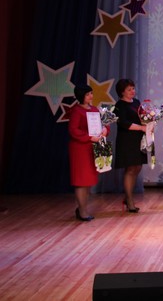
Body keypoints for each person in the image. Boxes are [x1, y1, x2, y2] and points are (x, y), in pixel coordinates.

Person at [68, 85, 105, 221]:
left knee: (88, 180)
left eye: (91, 93)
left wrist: (105, 130)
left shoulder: (94, 109)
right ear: (81, 96)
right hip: (80, 149)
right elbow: (73, 130)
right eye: (88, 94)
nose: (91, 96)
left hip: (91, 148)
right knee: (81, 181)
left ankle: (82, 209)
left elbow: (103, 124)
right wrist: (89, 137)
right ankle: (83, 211)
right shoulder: (76, 110)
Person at [114, 78, 147, 213]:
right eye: (129, 89)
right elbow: (123, 123)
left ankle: (128, 196)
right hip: (126, 140)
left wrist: (149, 122)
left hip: (138, 139)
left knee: (137, 167)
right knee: (130, 168)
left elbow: (143, 117)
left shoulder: (137, 102)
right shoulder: (119, 105)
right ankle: (129, 200)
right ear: (122, 92)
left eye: (133, 88)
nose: (132, 91)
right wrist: (141, 127)